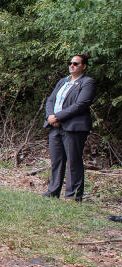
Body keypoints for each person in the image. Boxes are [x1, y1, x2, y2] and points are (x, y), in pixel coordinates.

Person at [43, 53, 95, 201]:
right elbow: (51, 100)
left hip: (74, 128)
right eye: (70, 63)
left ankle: (73, 196)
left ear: (83, 66)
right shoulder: (62, 81)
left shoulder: (87, 82)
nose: (71, 66)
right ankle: (53, 191)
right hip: (55, 127)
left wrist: (58, 117)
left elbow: (80, 105)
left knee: (73, 161)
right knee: (57, 160)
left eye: (76, 63)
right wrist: (50, 117)